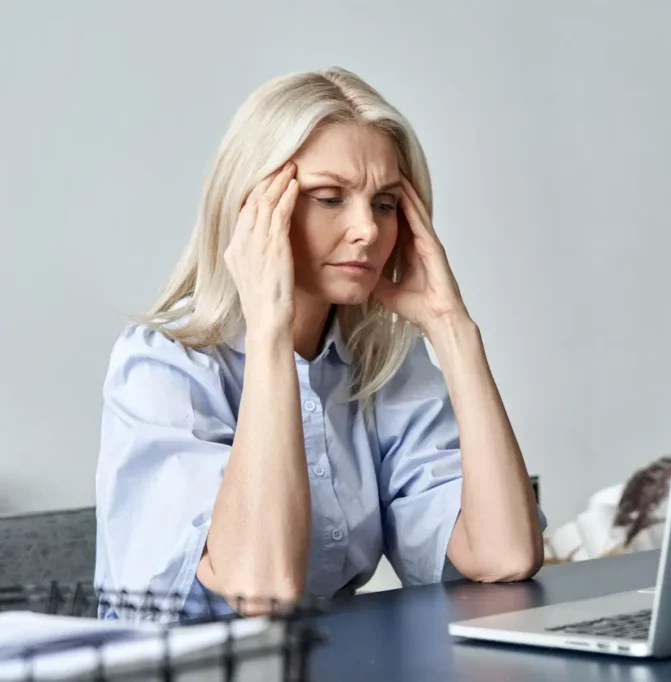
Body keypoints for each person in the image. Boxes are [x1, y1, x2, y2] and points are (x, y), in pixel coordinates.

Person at [94, 67, 546, 620]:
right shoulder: (161, 364)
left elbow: (504, 554)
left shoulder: (382, 361)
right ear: (252, 208)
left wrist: (453, 330)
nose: (368, 230)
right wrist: (269, 333)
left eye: (384, 204)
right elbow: (260, 587)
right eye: (330, 198)